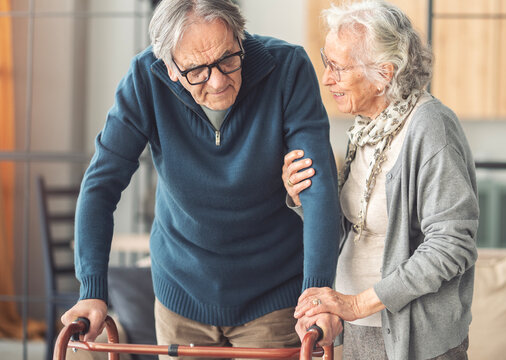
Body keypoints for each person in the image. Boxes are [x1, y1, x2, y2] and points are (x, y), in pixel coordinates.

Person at [60, 0, 342, 357]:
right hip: (182, 296)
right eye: (198, 70)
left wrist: (317, 293)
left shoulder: (287, 68)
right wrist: (91, 290)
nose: (220, 80)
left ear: (240, 37)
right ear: (170, 68)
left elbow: (316, 188)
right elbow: (101, 185)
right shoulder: (146, 78)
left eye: (229, 58)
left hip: (273, 296)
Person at [283, 1, 479, 359]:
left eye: (338, 68)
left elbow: (452, 245)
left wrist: (358, 303)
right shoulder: (366, 130)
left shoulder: (430, 128)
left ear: (384, 74)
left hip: (413, 342)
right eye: (327, 63)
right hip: (359, 331)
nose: (327, 78)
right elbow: (360, 232)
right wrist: (300, 201)